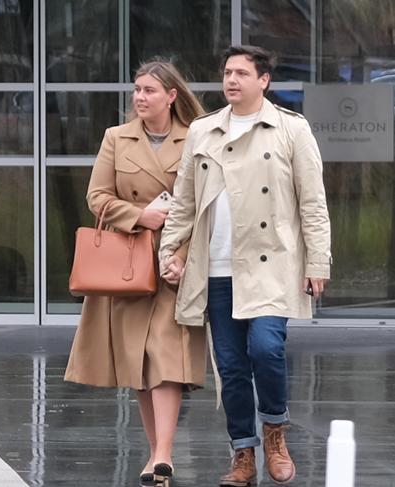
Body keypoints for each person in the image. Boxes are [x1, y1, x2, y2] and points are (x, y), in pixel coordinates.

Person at [159, 45, 332, 486]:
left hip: (271, 264)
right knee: (231, 369)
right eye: (227, 72)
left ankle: (275, 433)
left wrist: (318, 262)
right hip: (215, 267)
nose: (231, 80)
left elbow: (313, 203)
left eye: (241, 73)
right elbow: (184, 200)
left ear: (264, 80)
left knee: (266, 349)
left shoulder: (290, 130)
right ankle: (243, 454)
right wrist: (170, 251)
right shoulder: (203, 130)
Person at [64, 60, 207, 487]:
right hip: (129, 263)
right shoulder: (116, 138)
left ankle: (162, 454)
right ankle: (156, 453)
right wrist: (140, 215)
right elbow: (97, 197)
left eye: (148, 90)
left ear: (171, 95)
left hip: (177, 261)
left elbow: (206, 202)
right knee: (140, 365)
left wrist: (183, 255)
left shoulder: (196, 137)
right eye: (137, 89)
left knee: (167, 359)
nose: (140, 97)